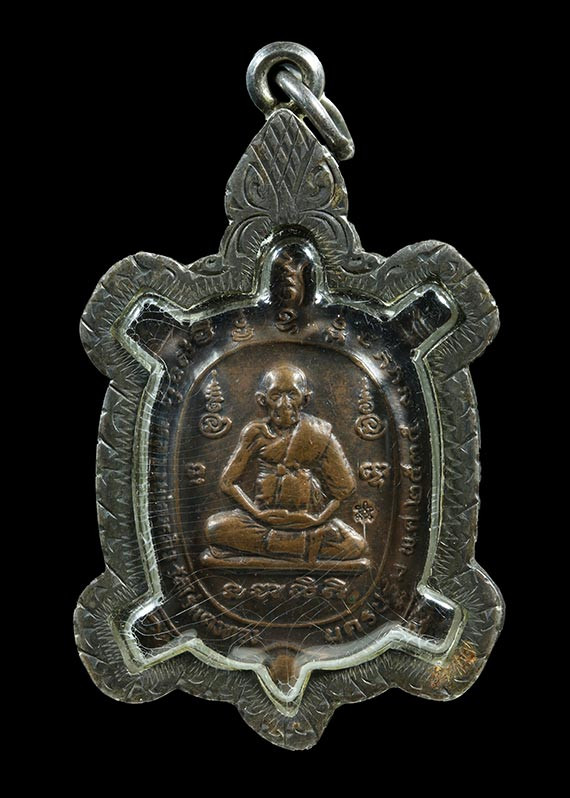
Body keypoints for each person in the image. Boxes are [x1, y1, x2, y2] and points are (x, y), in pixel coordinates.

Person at [204, 365, 369, 565]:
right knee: (214, 527)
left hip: (308, 521)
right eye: (276, 396)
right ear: (262, 400)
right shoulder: (255, 433)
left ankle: (274, 547)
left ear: (305, 400)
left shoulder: (319, 433)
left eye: (292, 395)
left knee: (356, 544)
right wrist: (257, 513)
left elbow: (344, 490)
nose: (284, 404)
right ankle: (301, 546)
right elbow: (227, 482)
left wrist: (318, 519)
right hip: (261, 521)